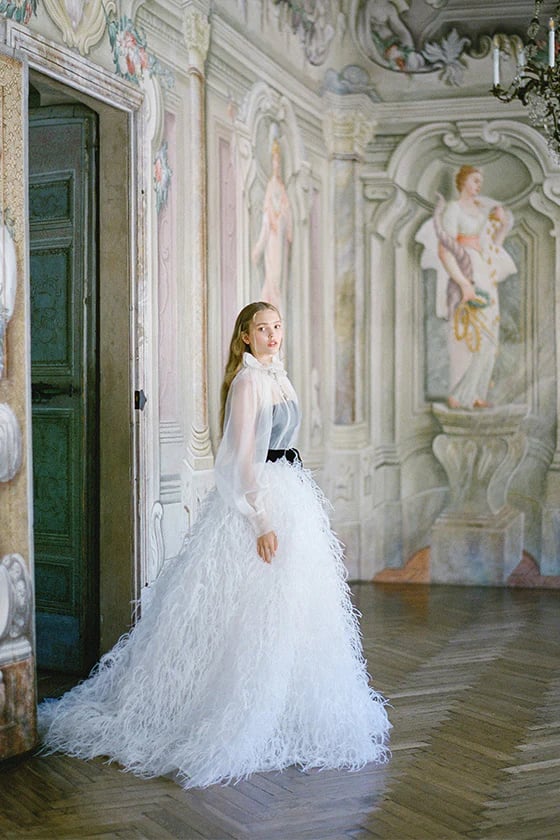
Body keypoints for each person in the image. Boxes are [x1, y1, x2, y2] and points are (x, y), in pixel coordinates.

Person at [39, 301, 391, 789]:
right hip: (259, 500)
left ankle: (287, 709)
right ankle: (220, 708)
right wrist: (261, 520)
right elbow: (240, 459)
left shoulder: (278, 376)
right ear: (245, 336)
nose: (272, 334)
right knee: (242, 608)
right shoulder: (248, 382)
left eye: (277, 326)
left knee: (292, 610)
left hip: (291, 491)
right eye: (262, 328)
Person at [433, 165, 516, 409]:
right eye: (475, 180)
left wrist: (500, 226)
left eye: (481, 181)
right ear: (463, 182)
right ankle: (460, 394)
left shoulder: (480, 213)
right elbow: (445, 250)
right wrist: (463, 284)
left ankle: (477, 393)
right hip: (466, 270)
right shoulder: (453, 209)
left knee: (489, 331)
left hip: (485, 271)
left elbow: (492, 245)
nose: (479, 185)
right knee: (471, 333)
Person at [252, 141, 293, 312]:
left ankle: (276, 311)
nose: (276, 165)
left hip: (279, 238)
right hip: (272, 238)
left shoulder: (281, 187)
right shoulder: (271, 186)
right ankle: (271, 309)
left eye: (278, 161)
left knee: (278, 278)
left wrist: (286, 226)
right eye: (274, 161)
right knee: (272, 277)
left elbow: (286, 211)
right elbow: (267, 215)